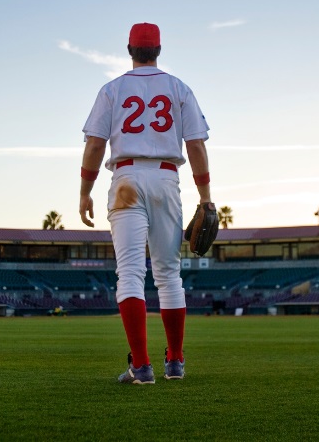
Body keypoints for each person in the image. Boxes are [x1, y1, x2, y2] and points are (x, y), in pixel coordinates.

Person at [79, 22, 212, 385]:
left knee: (132, 273)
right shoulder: (179, 88)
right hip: (167, 178)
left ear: (129, 49)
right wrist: (206, 198)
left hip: (126, 180)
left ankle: (141, 366)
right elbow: (196, 145)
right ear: (159, 49)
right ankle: (176, 362)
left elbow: (94, 144)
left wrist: (84, 190)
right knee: (169, 274)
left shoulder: (112, 89)